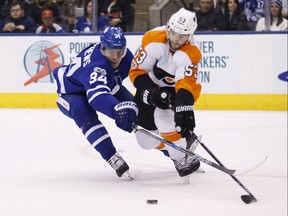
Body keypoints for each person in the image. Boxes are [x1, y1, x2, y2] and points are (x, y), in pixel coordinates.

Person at [53, 27, 138, 178]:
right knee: (83, 112)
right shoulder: (95, 66)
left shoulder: (127, 57)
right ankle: (112, 156)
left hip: (108, 86)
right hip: (73, 92)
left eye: (119, 52)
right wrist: (116, 111)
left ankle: (174, 151)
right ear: (102, 48)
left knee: (139, 113)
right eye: (110, 52)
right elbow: (97, 98)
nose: (115, 57)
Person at [129, 8, 202, 178]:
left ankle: (180, 157)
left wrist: (183, 107)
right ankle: (181, 144)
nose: (177, 39)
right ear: (168, 28)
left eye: (183, 35)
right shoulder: (152, 39)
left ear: (190, 36)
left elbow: (186, 84)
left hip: (173, 89)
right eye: (175, 32)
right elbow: (136, 73)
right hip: (149, 86)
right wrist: (152, 93)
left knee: (166, 120)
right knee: (145, 141)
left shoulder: (191, 52)